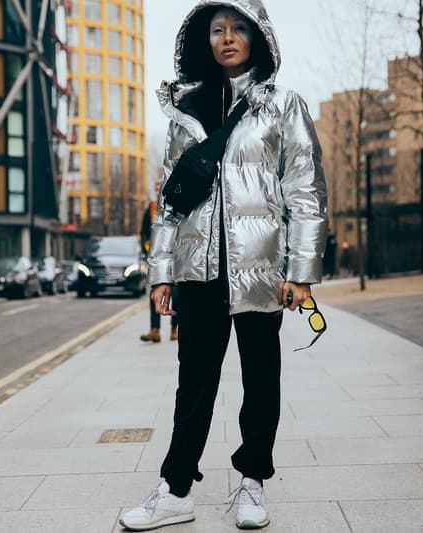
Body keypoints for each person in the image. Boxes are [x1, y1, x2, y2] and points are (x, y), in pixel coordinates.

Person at [119, 1, 327, 531]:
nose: (227, 37)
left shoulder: (284, 106)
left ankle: (252, 483)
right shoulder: (187, 113)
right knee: (193, 384)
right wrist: (161, 271)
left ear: (258, 37)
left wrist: (300, 270)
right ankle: (176, 489)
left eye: (237, 28)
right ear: (204, 39)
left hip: (260, 269)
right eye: (217, 29)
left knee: (261, 379)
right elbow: (170, 200)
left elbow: (305, 191)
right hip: (198, 271)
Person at [140, 183, 179, 342]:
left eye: (160, 188)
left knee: (176, 295)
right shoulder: (150, 209)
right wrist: (149, 252)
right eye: (156, 189)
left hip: (177, 257)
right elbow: (144, 233)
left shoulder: (174, 203)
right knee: (154, 293)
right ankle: (154, 329)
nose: (158, 192)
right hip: (156, 257)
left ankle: (174, 329)